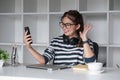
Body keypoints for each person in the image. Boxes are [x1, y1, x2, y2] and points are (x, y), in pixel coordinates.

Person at [24, 10, 96, 66]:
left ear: (77, 26)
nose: (64, 27)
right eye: (62, 24)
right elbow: (43, 61)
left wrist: (84, 40)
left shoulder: (86, 42)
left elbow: (90, 63)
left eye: (68, 24)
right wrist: (29, 47)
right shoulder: (56, 41)